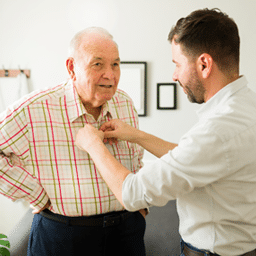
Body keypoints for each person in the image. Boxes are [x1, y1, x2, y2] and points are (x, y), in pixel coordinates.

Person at [75, 9, 256, 256]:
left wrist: (93, 145)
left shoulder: (217, 130)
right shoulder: (246, 107)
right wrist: (137, 136)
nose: (174, 76)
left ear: (204, 64)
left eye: (177, 64)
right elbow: (198, 160)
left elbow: (133, 193)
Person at [0, 27, 147, 256]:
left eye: (115, 64)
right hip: (62, 237)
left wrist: (141, 208)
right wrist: (35, 195)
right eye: (97, 64)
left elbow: (136, 157)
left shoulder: (125, 103)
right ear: (72, 68)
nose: (110, 74)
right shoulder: (33, 109)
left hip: (126, 233)